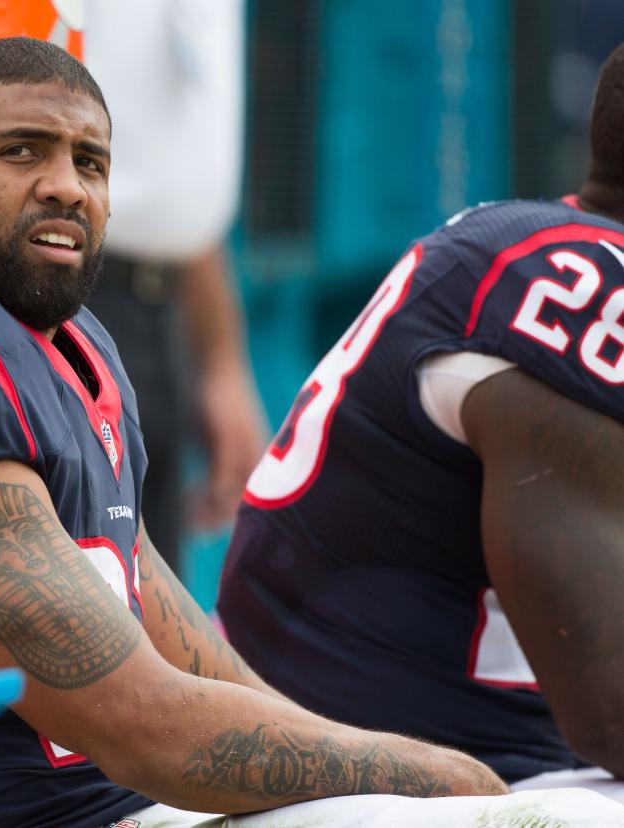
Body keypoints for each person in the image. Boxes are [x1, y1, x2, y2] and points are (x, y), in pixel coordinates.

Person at [0, 37, 624, 828]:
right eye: (21, 152)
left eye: (91, 162)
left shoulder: (75, 349)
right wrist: (445, 781)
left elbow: (190, 658)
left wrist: (379, 769)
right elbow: (141, 722)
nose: (64, 184)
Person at [218, 42, 624, 801]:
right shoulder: (579, 290)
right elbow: (610, 713)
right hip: (372, 765)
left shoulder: (540, 243)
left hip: (447, 740)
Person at [82, 0, 267, 566]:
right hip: (72, 295)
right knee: (99, 618)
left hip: (166, 312)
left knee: (157, 611)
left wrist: (221, 359)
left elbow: (180, 174)